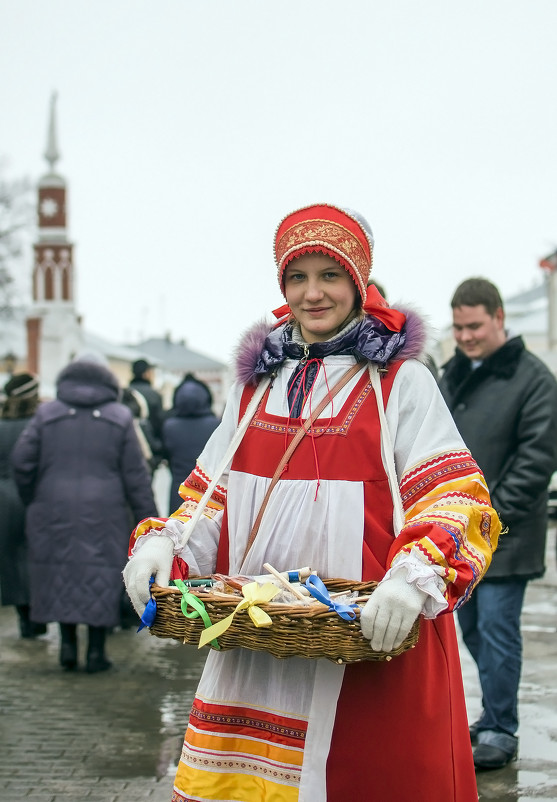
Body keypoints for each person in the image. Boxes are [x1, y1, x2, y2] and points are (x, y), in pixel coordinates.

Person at [124, 204, 501, 801]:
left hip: (369, 640)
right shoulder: (254, 386)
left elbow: (459, 498)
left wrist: (413, 578)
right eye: (298, 277)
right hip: (261, 643)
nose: (313, 293)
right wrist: (163, 544)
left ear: (358, 280)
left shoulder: (399, 382)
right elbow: (210, 497)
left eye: (331, 275)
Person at [439, 277, 557, 770]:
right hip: (455, 537)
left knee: (497, 628)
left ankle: (499, 727)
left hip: (505, 537)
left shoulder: (534, 379)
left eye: (475, 326)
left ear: (499, 318)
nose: (465, 336)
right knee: (471, 628)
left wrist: (487, 522)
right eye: (459, 327)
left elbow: (536, 459)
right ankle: (491, 711)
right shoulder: (452, 374)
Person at [11, 356, 158, 672]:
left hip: (51, 507)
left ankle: (67, 645)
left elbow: (21, 463)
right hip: (106, 510)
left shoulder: (46, 414)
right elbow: (136, 476)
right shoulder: (119, 417)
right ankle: (95, 651)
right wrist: (151, 521)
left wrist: (33, 498)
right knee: (100, 574)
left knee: (60, 571)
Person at [0, 373, 46, 638]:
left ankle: (23, 618)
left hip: (3, 497)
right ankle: (38, 615)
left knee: (9, 559)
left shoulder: (2, 422)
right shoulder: (38, 424)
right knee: (34, 556)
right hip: (33, 495)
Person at [161, 373, 219, 513]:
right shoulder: (216, 424)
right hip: (208, 490)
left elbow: (167, 456)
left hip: (179, 490)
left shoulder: (169, 426)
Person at [129, 358, 165, 441]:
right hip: (150, 442)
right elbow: (158, 422)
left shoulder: (126, 392)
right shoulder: (154, 395)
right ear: (146, 374)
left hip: (130, 440)